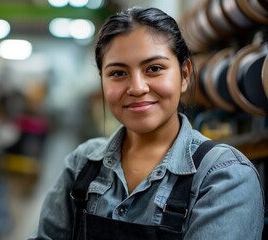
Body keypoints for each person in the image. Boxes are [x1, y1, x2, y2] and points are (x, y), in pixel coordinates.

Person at [29, 6, 264, 240]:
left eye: (154, 69)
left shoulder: (223, 177)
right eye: (118, 73)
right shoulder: (82, 165)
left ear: (184, 75)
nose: (137, 88)